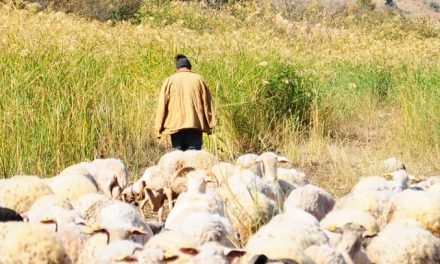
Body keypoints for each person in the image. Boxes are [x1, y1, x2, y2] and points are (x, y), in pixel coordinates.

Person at [155, 54, 215, 151]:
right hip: (194, 124)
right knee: (193, 156)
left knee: (178, 158)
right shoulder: (199, 79)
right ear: (190, 67)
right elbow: (207, 103)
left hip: (175, 125)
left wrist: (158, 128)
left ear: (176, 68)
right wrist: (211, 124)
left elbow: (162, 106)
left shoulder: (169, 80)